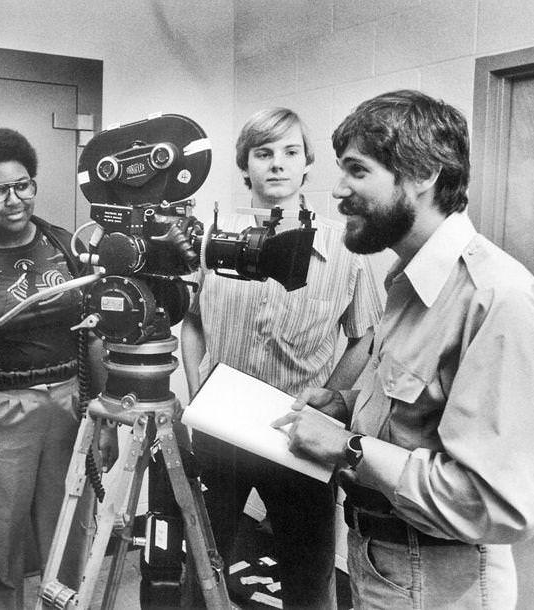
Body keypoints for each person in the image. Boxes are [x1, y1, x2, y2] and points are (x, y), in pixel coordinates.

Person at [274, 89, 534, 609]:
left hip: (438, 580)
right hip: (381, 559)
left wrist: (349, 449)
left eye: (358, 171)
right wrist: (348, 406)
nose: (338, 191)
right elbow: (417, 410)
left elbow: (500, 505)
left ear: (423, 174)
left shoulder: (496, 299)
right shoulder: (409, 279)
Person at [181, 107, 383, 609]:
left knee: (308, 572)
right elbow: (191, 320)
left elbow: (364, 336)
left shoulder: (345, 245)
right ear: (244, 164)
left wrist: (328, 405)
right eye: (264, 153)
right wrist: (196, 393)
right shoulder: (212, 237)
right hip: (220, 426)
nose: (277, 165)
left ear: (307, 164)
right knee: (203, 563)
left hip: (301, 432)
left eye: (290, 152)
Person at [0, 127, 116, 609]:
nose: (13, 199)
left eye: (23, 184)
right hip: (2, 411)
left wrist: (104, 417)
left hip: (71, 404)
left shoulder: (63, 244)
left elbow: (92, 333)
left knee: (70, 529)